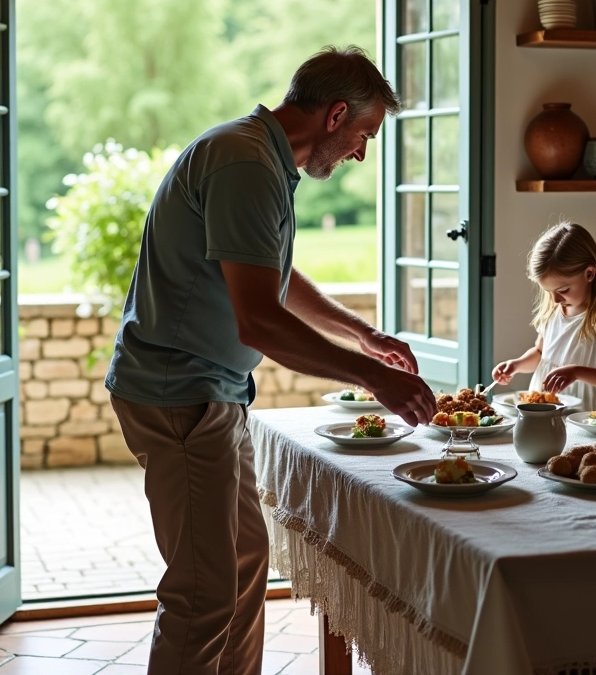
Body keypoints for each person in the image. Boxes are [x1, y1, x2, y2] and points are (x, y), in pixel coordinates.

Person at [104, 46, 437, 675]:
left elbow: (268, 270)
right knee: (204, 591)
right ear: (336, 114)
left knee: (243, 565)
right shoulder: (244, 163)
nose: (362, 152)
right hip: (181, 396)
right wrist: (373, 377)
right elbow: (257, 318)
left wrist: (360, 332)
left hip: (215, 392)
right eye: (364, 133)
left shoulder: (260, 156)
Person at [492, 221, 596, 411]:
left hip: (586, 414)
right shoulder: (553, 311)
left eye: (563, 290)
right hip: (543, 411)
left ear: (589, 273)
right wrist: (516, 364)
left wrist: (576, 372)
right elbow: (540, 353)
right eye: (548, 291)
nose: (555, 299)